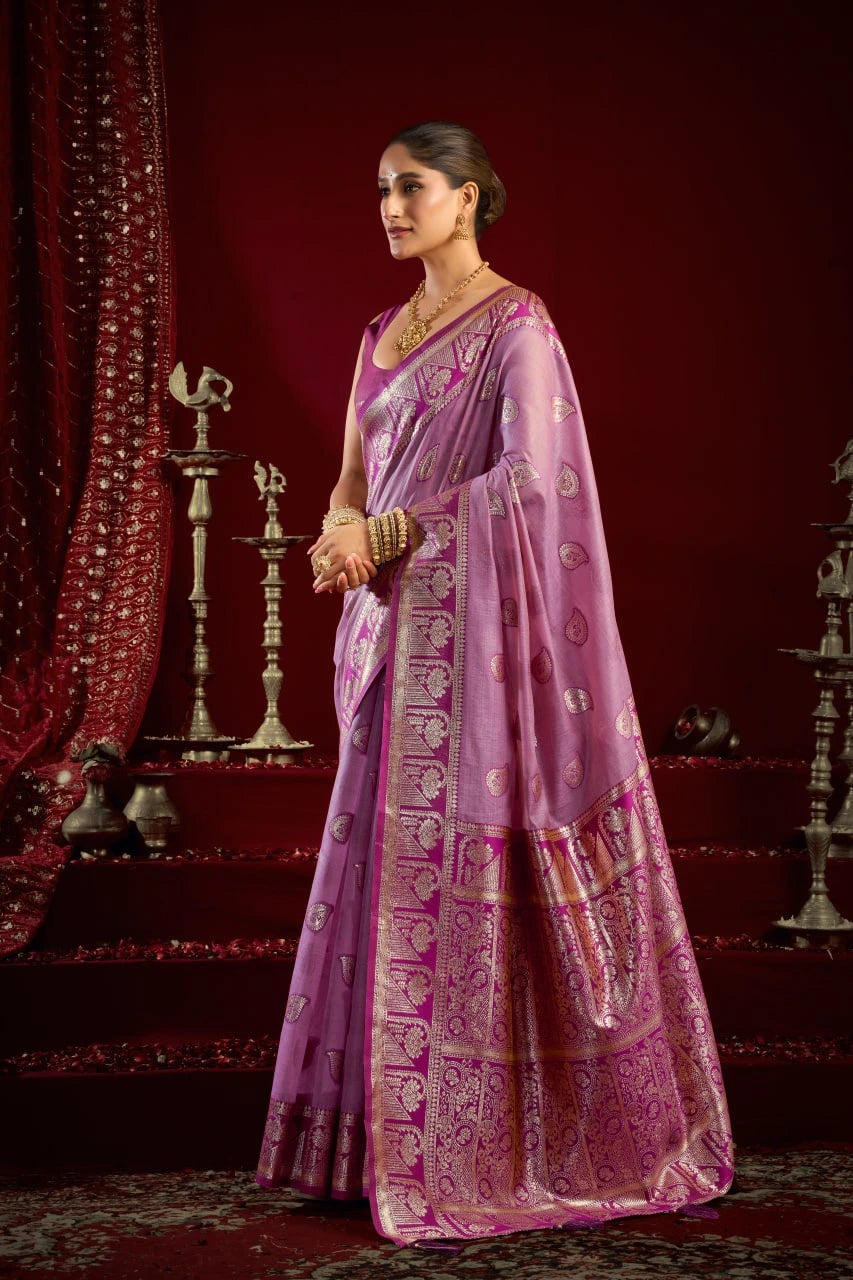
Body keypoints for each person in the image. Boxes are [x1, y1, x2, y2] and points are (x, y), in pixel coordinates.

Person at [256, 121, 734, 1246]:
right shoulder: (381, 332)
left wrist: (386, 528)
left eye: (411, 186)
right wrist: (337, 531)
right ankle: (367, 1141)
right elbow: (349, 475)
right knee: (375, 877)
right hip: (389, 644)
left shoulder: (517, 325)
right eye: (379, 189)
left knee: (457, 871)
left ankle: (482, 1145)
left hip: (475, 662)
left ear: (469, 199)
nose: (388, 206)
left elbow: (533, 485)